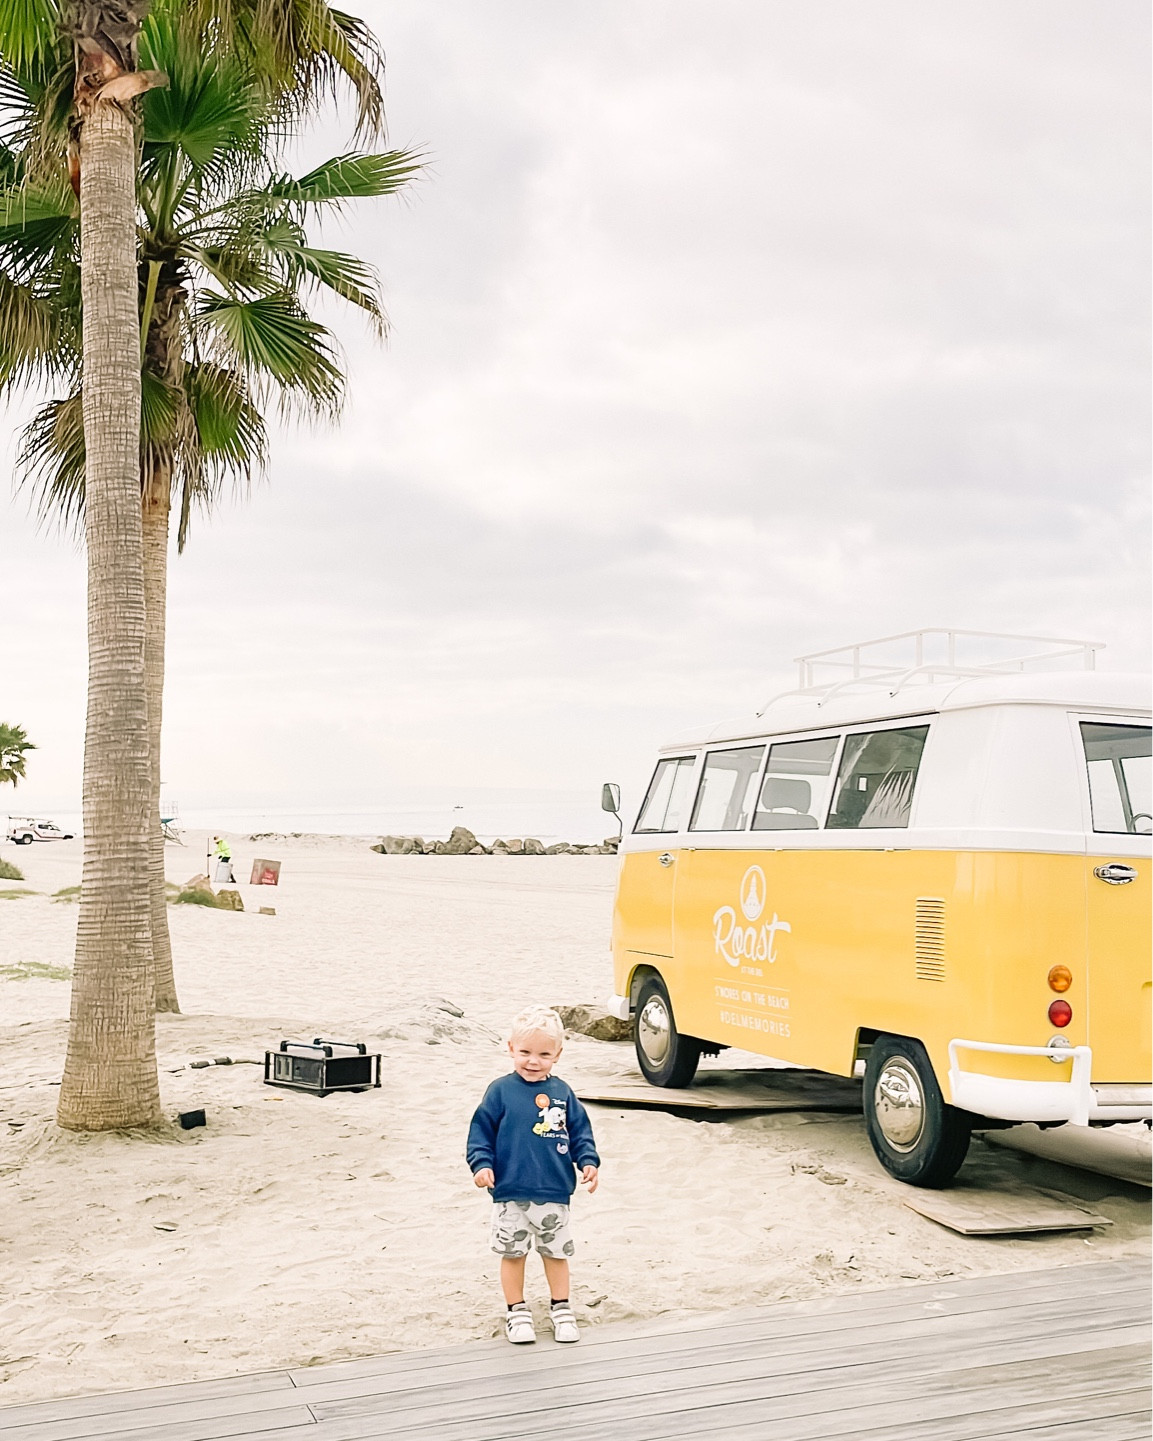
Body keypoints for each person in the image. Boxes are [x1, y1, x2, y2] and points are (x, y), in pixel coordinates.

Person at [466, 1005, 600, 1345]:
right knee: (513, 1255)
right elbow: (480, 1133)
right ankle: (517, 1311)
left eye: (543, 1054)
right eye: (524, 1052)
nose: (532, 1061)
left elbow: (580, 1131)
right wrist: (481, 1165)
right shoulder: (499, 1091)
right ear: (511, 1048)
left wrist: (589, 1161)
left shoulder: (563, 1093)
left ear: (557, 1054)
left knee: (556, 1253)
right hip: (510, 1191)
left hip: (554, 1190)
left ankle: (561, 1307)